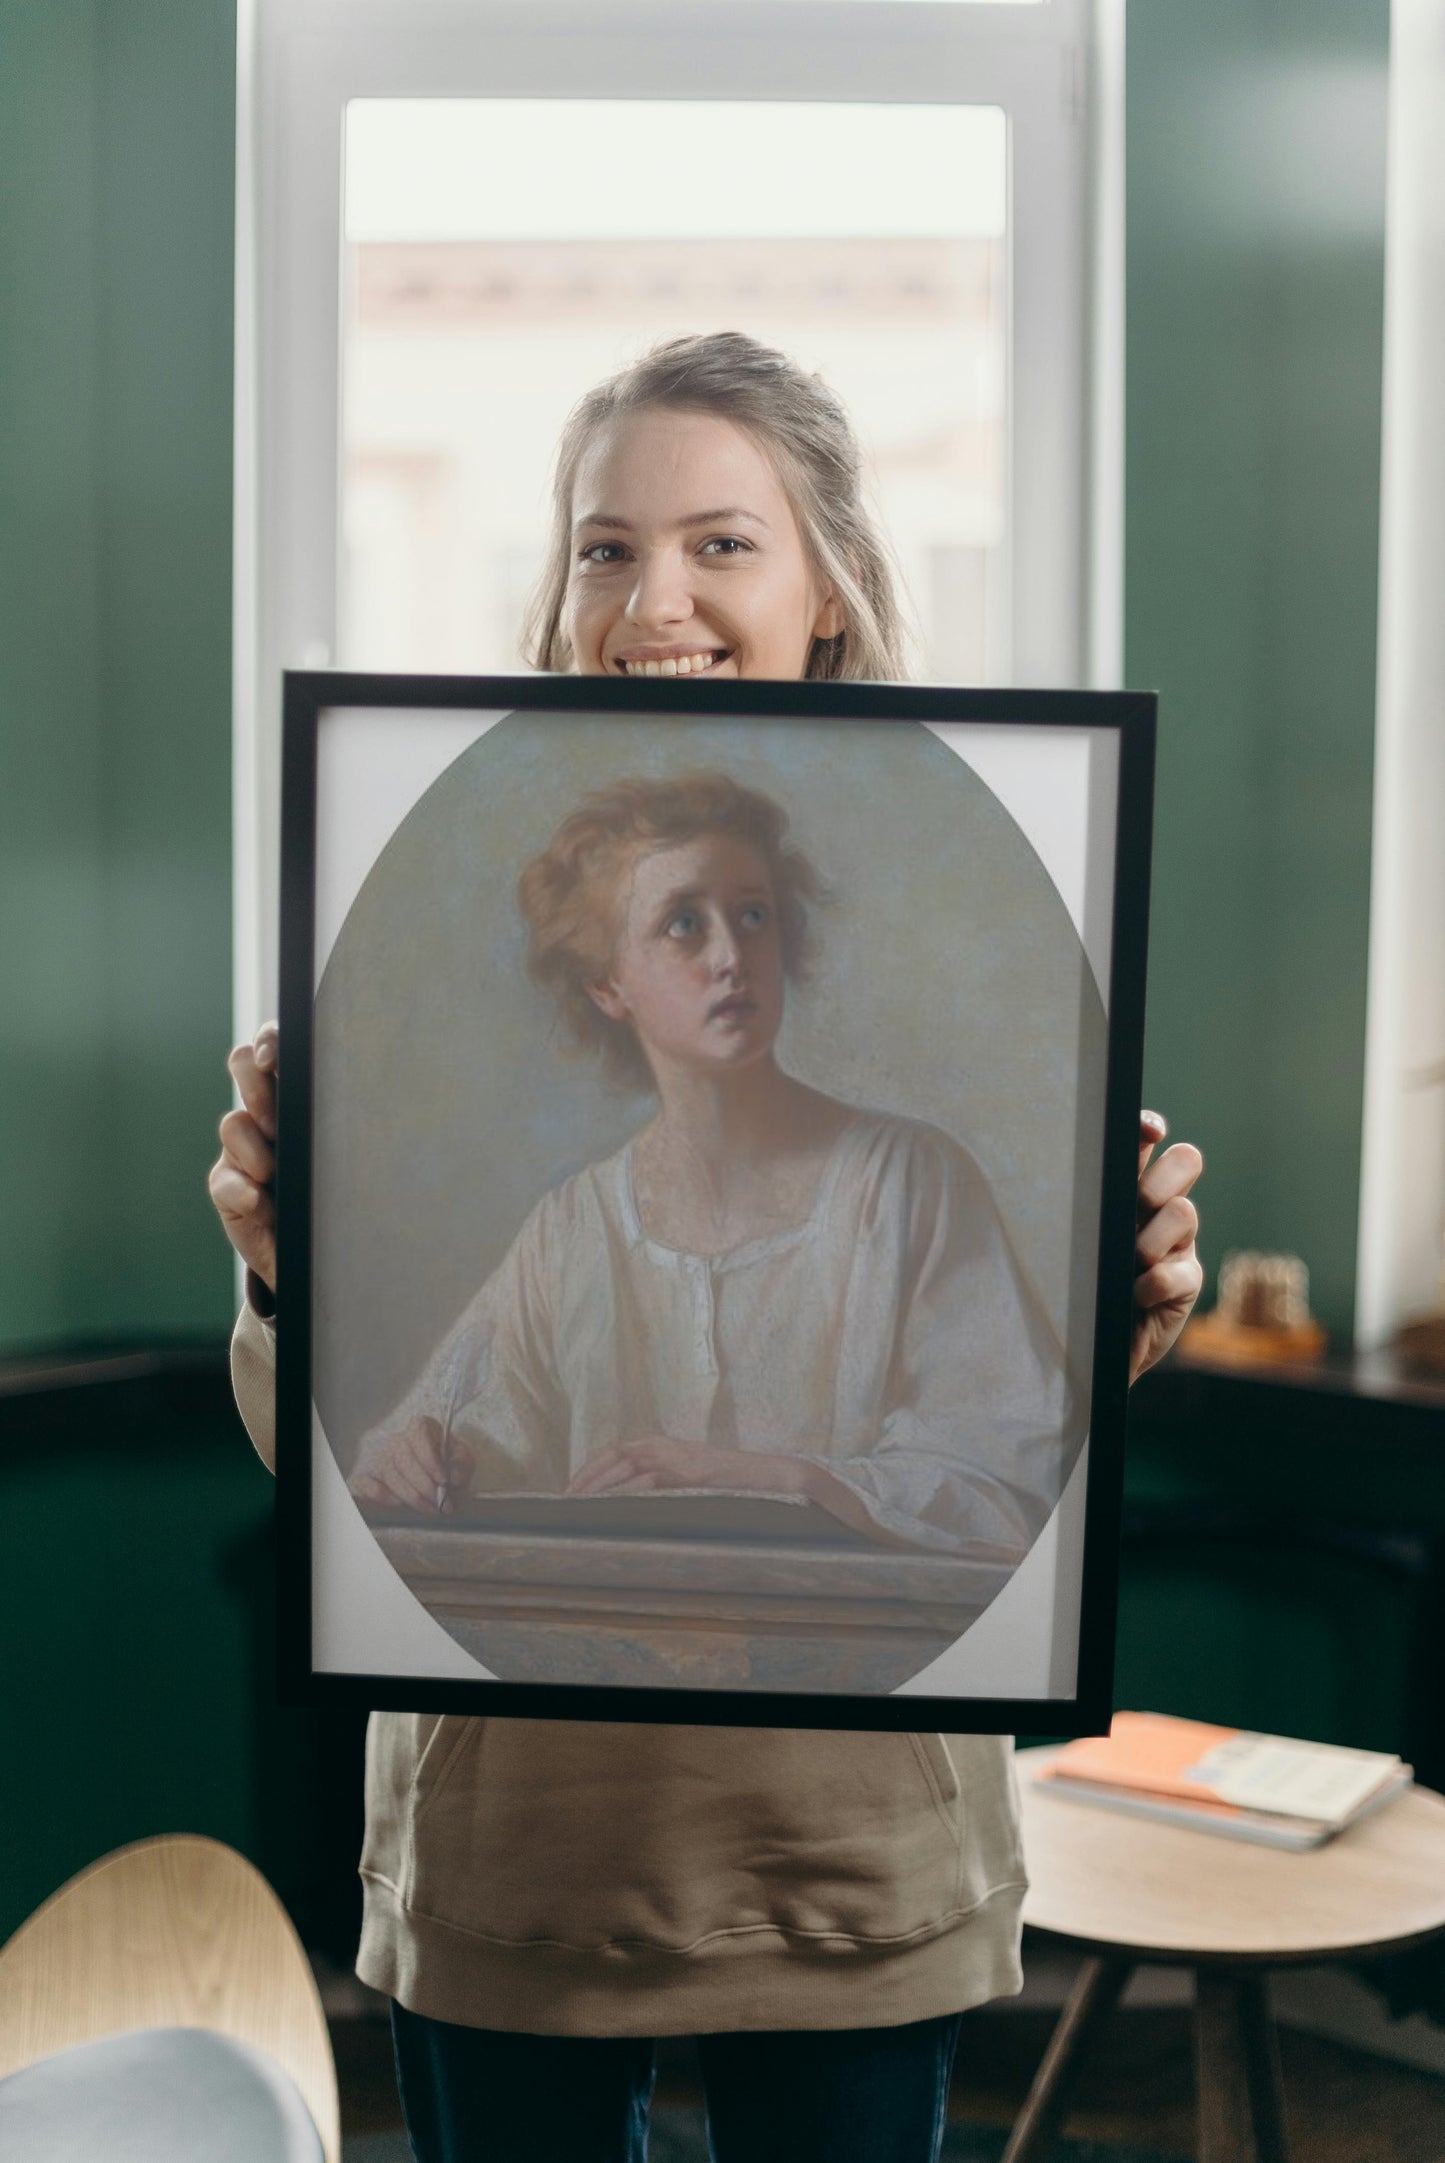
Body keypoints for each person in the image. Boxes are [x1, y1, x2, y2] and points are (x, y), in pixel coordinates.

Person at [210, 332, 1204, 2163]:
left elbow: (999, 1475)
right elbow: (352, 1475)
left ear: (826, 587)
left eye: (721, 544)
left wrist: (1115, 1310)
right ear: (606, 980)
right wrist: (295, 1286)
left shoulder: (916, 1183)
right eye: (605, 547)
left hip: (843, 1847)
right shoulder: (564, 1227)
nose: (652, 597)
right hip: (522, 1847)